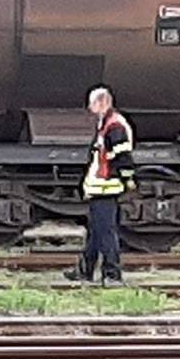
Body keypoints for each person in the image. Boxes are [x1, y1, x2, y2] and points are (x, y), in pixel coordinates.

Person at [68, 85, 134, 285]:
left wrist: (126, 179)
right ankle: (85, 270)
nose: (89, 107)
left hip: (107, 188)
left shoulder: (115, 126)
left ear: (103, 103)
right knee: (96, 232)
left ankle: (112, 274)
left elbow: (123, 156)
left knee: (106, 232)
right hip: (100, 188)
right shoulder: (105, 123)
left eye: (92, 103)